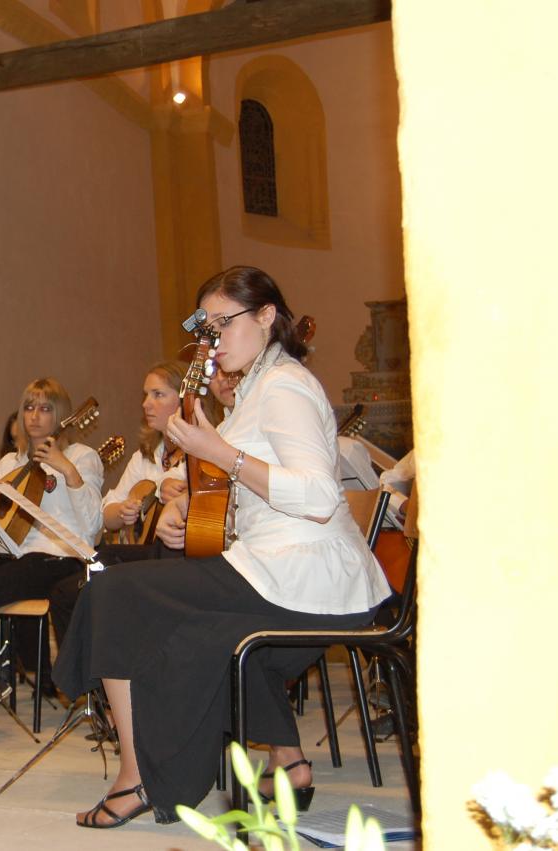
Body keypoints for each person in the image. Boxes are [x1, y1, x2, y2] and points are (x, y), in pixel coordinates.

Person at [53, 266, 391, 827]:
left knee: (115, 594)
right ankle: (288, 761)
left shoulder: (284, 386)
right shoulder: (255, 390)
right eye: (204, 328)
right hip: (273, 566)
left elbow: (318, 495)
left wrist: (219, 451)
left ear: (265, 317)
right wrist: (184, 514)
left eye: (222, 324)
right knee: (199, 629)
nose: (210, 339)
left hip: (310, 577)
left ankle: (138, 775)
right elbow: (249, 497)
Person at [0, 378, 103, 740]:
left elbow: (92, 525)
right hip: (15, 556)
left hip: (59, 558)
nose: (35, 416)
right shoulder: (10, 461)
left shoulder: (82, 457)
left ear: (62, 415)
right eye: (29, 407)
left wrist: (68, 471)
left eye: (45, 408)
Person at [47, 362, 188, 647]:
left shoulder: (201, 450)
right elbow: (107, 514)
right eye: (145, 395)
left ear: (186, 400)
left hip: (184, 559)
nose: (146, 404)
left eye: (158, 395)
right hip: (150, 557)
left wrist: (162, 489)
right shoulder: (145, 456)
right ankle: (92, 685)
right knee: (66, 593)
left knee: (101, 576)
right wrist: (122, 511)